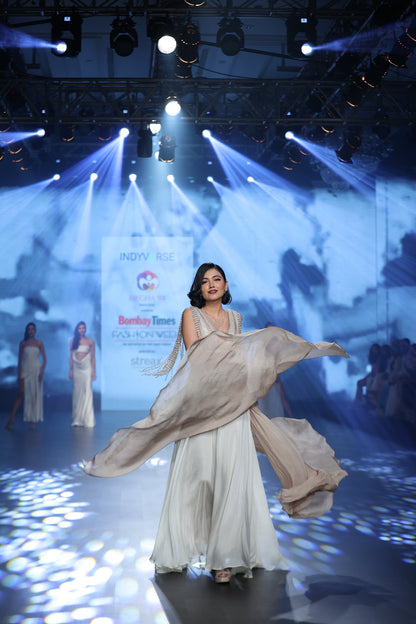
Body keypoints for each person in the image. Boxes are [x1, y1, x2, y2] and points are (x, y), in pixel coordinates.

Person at [83, 263, 349, 583]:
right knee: (198, 480)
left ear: (225, 285)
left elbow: (240, 363)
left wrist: (249, 385)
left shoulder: (235, 319)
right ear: (198, 287)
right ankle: (184, 549)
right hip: (202, 409)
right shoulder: (189, 315)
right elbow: (199, 360)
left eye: (217, 279)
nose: (211, 285)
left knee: (232, 482)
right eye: (205, 281)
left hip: (234, 411)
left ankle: (224, 558)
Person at [6, 322, 46, 430]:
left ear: (35, 331)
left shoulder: (39, 343)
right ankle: (11, 419)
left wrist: (41, 372)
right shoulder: (23, 343)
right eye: (29, 329)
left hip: (36, 369)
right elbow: (19, 361)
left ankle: (32, 421)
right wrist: (19, 376)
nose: (31, 331)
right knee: (20, 393)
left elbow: (45, 360)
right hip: (26, 369)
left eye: (33, 329)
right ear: (27, 331)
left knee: (33, 395)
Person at [69, 321, 96, 427]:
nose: (82, 330)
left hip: (86, 368)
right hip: (76, 369)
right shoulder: (73, 341)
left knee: (87, 391)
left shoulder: (90, 341)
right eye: (80, 328)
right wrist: (69, 370)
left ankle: (87, 420)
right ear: (77, 330)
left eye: (83, 328)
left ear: (86, 329)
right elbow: (71, 357)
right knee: (77, 392)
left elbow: (93, 357)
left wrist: (94, 371)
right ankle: (77, 419)